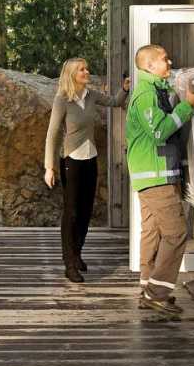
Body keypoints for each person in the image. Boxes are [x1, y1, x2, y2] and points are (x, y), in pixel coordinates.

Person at [127, 44, 194, 316]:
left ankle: (148, 288)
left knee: (153, 232)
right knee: (176, 233)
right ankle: (156, 294)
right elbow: (159, 132)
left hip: (155, 174)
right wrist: (188, 106)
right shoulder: (145, 94)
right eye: (164, 59)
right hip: (155, 175)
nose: (169, 62)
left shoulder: (157, 90)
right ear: (149, 66)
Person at [44, 58, 130, 283]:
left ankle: (78, 253)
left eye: (86, 68)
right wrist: (49, 167)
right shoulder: (62, 100)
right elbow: (52, 134)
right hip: (71, 161)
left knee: (85, 211)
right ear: (72, 74)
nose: (86, 71)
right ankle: (69, 263)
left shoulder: (90, 95)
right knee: (71, 212)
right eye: (81, 69)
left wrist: (125, 89)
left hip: (90, 159)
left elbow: (114, 102)